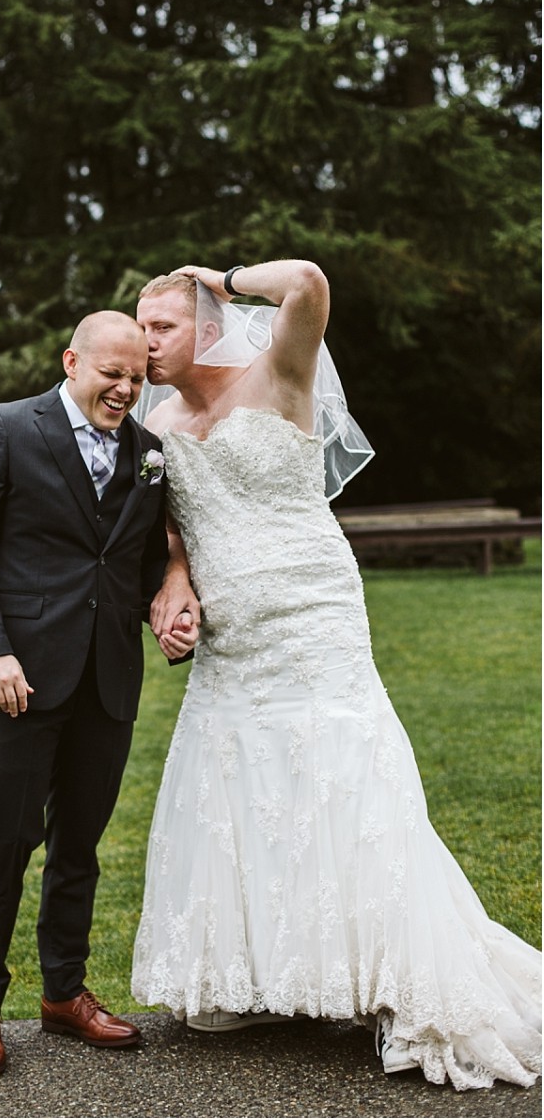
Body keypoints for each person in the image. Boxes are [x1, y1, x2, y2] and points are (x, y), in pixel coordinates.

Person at [131, 261, 541, 1091]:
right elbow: (169, 525)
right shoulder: (158, 419)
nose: (146, 343)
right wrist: (173, 581)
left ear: (209, 324)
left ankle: (403, 986)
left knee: (343, 782)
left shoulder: (280, 368)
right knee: (241, 788)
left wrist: (228, 275)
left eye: (162, 326)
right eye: (140, 328)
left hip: (314, 619)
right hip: (233, 646)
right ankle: (271, 977)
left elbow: (309, 283)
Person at [0, 310, 198, 1077]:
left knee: (79, 845)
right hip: (19, 679)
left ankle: (64, 995)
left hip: (108, 678)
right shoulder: (6, 428)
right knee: (6, 842)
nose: (125, 388)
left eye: (136, 376)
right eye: (111, 372)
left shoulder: (151, 453)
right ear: (71, 362)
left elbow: (137, 558)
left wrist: (169, 604)